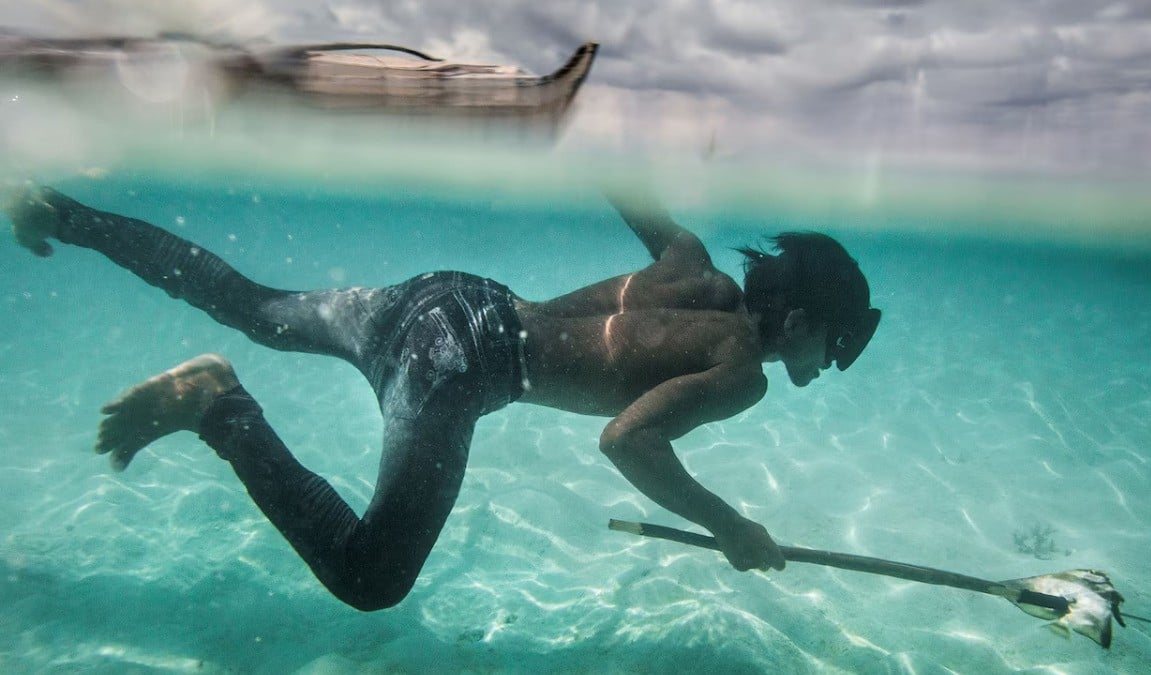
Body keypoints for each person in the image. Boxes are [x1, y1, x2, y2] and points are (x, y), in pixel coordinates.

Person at [2, 182, 880, 611]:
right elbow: (628, 441)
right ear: (796, 316)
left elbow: (617, 169)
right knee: (370, 579)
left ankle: (62, 214)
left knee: (253, 305)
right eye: (829, 347)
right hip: (459, 363)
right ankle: (215, 404)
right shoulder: (742, 369)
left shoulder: (687, 256)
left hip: (448, 297)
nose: (823, 367)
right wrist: (729, 525)